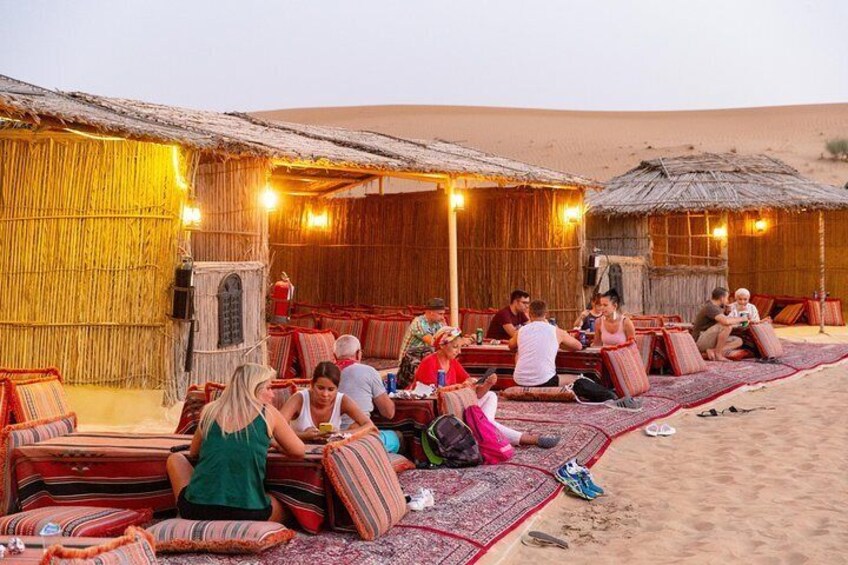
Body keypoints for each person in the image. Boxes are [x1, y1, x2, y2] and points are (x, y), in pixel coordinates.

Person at [166, 364, 305, 522]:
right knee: (281, 507)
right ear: (253, 388)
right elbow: (299, 450)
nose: (272, 395)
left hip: (196, 510)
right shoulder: (268, 413)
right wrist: (275, 444)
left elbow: (193, 452)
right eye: (268, 388)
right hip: (248, 513)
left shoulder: (210, 411)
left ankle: (183, 512)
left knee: (175, 458)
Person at [414, 327, 560, 448]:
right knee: (485, 421)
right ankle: (527, 439)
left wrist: (487, 384)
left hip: (454, 406)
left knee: (491, 395)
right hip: (440, 413)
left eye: (460, 347)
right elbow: (432, 395)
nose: (459, 351)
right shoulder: (429, 362)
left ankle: (482, 427)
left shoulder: (452, 363)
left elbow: (475, 392)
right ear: (442, 345)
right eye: (455, 347)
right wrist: (463, 386)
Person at [334, 334, 401, 453]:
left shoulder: (322, 374)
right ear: (359, 353)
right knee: (397, 437)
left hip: (329, 436)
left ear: (334, 356)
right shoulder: (368, 371)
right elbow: (388, 412)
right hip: (357, 438)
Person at [510, 300, 582, 387]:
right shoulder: (555, 331)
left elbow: (511, 345)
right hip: (545, 380)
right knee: (578, 379)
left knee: (518, 353)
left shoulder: (521, 331)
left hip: (519, 380)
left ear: (529, 314)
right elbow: (578, 346)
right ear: (546, 314)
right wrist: (560, 344)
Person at [693, 287, 746, 361]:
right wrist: (742, 319)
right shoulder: (710, 307)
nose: (727, 301)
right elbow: (726, 322)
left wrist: (726, 313)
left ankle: (712, 351)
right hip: (700, 340)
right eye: (727, 298)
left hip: (709, 338)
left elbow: (722, 319)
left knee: (738, 341)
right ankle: (718, 354)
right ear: (722, 298)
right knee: (726, 326)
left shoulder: (716, 307)